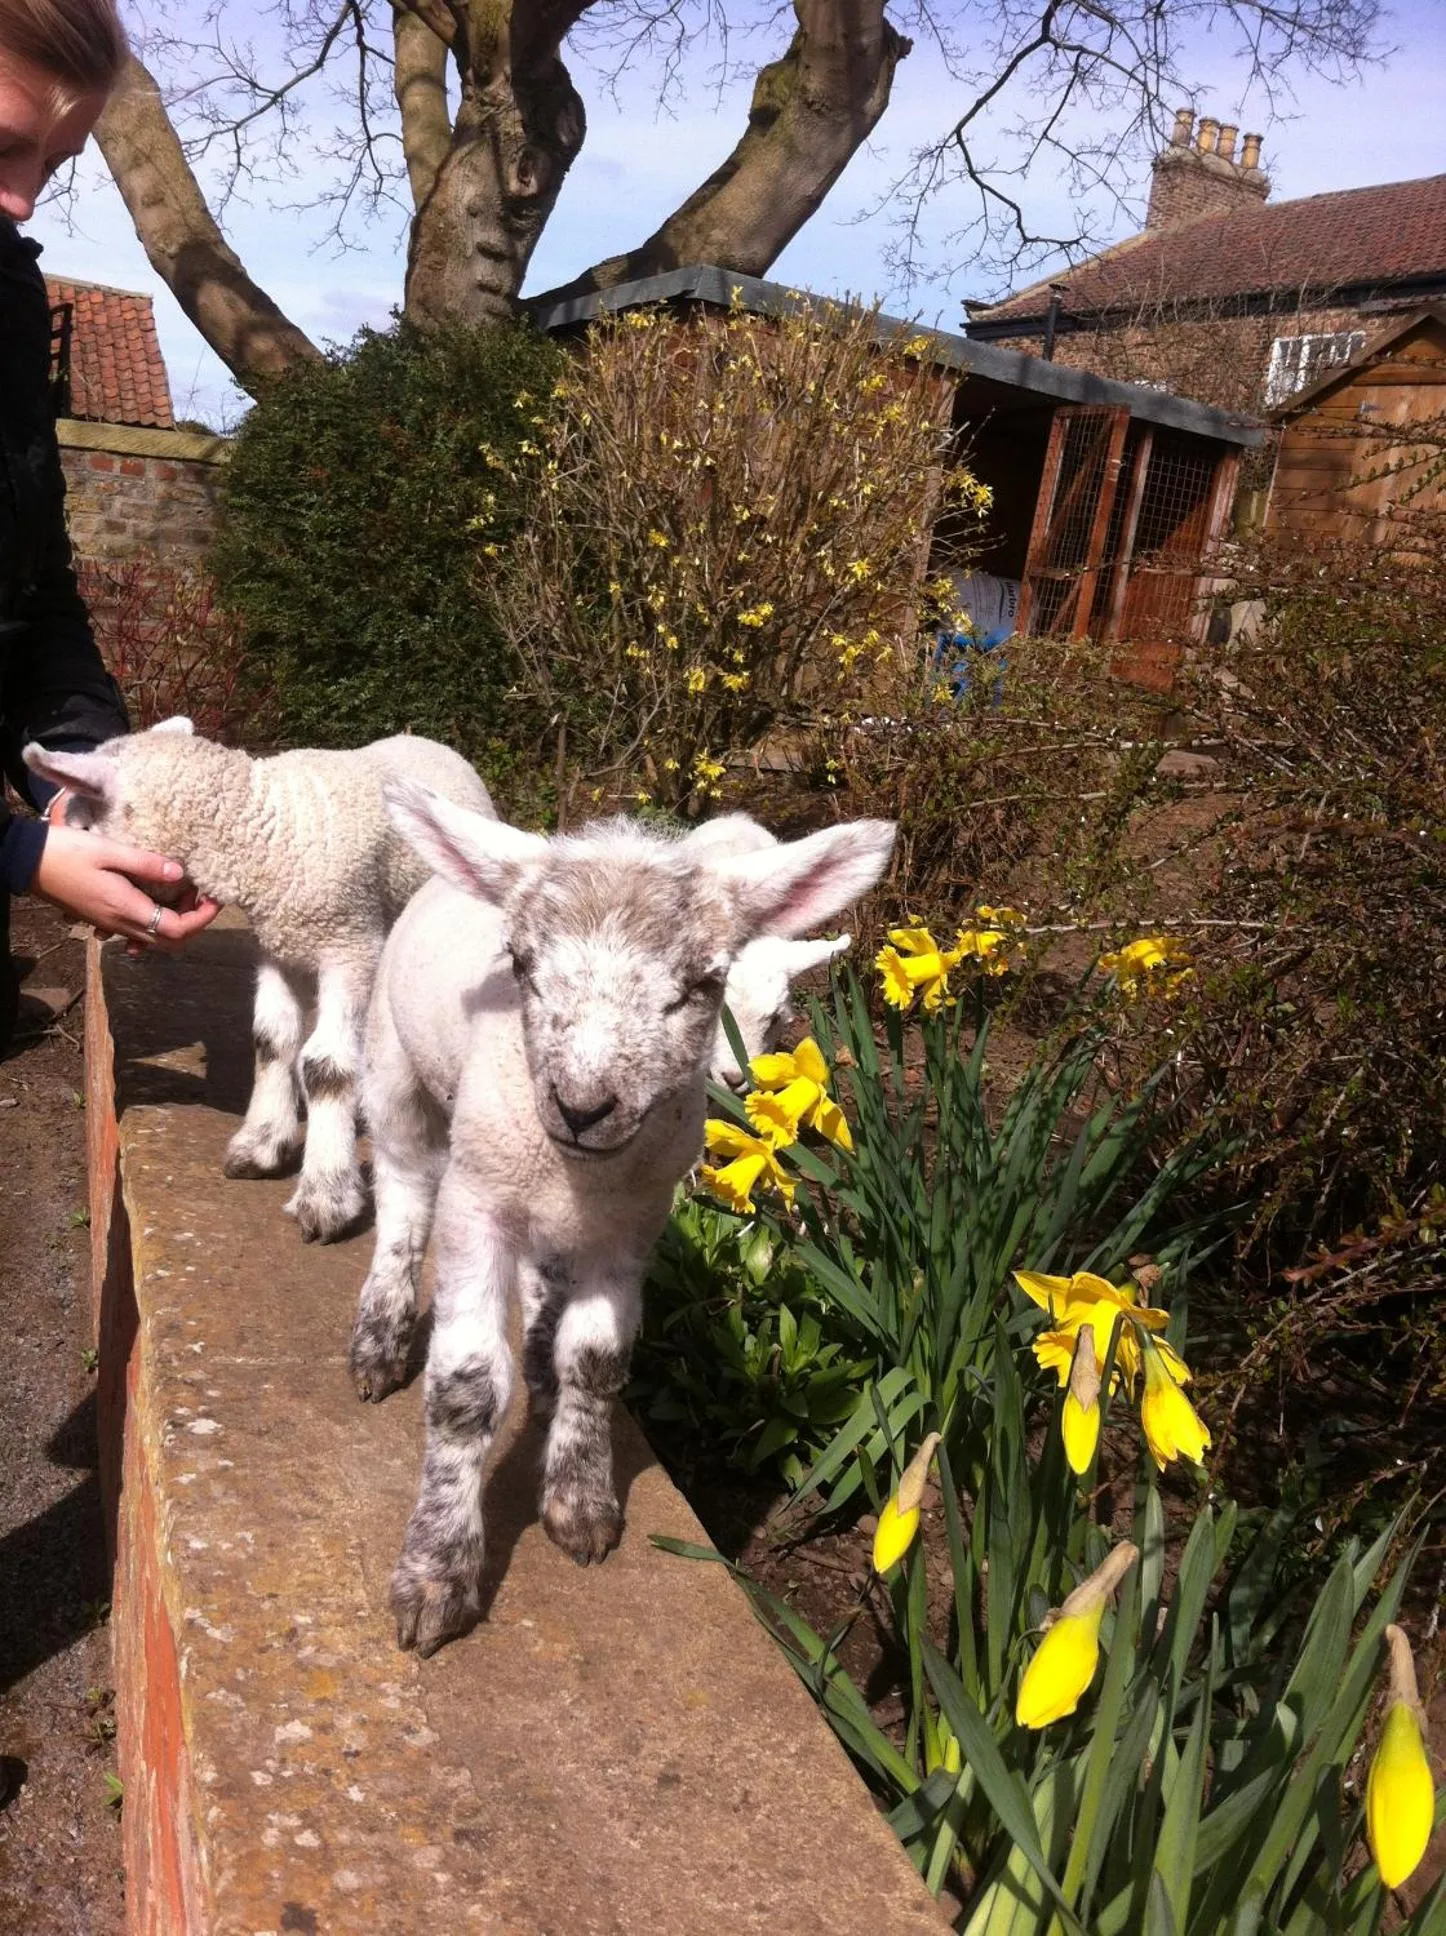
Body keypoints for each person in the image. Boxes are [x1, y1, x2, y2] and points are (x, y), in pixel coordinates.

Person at [0, 0, 217, 1051]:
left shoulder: (9, 296)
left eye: (57, 159)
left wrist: (96, 778)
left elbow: (30, 589)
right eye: (1, 143)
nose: (22, 195)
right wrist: (17, 856)